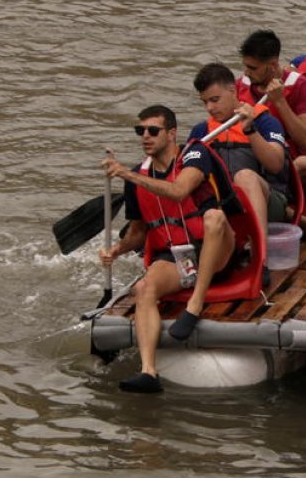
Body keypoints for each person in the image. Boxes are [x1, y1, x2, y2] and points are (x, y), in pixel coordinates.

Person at [98, 105, 239, 393]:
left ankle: (195, 305)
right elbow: (138, 233)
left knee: (214, 217)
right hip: (179, 257)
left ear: (172, 133)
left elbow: (179, 191)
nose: (145, 136)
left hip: (217, 247)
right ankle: (149, 372)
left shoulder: (194, 154)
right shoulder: (138, 177)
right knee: (144, 288)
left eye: (153, 130)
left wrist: (126, 174)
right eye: (140, 131)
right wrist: (116, 250)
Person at [191, 63, 290, 249]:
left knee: (244, 176)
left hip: (269, 203)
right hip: (223, 206)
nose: (209, 108)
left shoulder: (265, 122)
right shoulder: (201, 131)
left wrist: (250, 130)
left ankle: (260, 253)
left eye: (215, 100)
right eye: (205, 102)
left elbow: (276, 165)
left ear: (233, 91)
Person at [238, 29, 306, 193]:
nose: (247, 72)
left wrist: (279, 101)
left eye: (253, 68)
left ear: (273, 65)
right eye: (246, 67)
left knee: (305, 164)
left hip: (286, 162)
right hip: (247, 159)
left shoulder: (299, 85)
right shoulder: (240, 84)